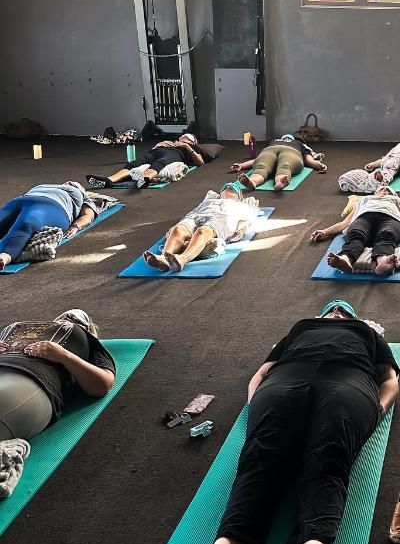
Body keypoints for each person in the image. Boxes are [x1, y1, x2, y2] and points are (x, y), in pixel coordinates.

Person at [201, 300, 400, 544]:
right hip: (286, 380)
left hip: (348, 381)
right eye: (333, 308)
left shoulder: (366, 332)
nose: (338, 310)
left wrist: (378, 409)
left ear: (354, 318)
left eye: (344, 310)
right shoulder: (301, 327)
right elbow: (261, 372)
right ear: (323, 314)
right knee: (260, 456)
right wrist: (255, 401)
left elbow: (389, 380)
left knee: (328, 459)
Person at [0, 309, 115, 496]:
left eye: (76, 318)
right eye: (64, 315)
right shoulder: (15, 328)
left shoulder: (86, 341)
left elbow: (102, 384)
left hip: (29, 379)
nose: (67, 317)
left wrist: (63, 355)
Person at [309, 186, 400, 276]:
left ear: (393, 195)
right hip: (364, 218)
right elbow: (345, 223)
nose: (385, 191)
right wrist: (325, 232)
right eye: (381, 189)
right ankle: (345, 259)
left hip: (391, 219)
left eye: (388, 190)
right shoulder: (364, 200)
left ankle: (383, 262)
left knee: (387, 235)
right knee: (355, 234)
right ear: (375, 193)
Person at [143, 183, 261, 273]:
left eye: (233, 188)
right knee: (178, 230)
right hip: (198, 215)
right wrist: (176, 225)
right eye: (226, 186)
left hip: (222, 218)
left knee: (202, 231)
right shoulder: (209, 200)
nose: (229, 186)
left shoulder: (242, 204)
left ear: (239, 196)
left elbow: (248, 219)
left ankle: (182, 259)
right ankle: (164, 258)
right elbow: (194, 211)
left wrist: (241, 230)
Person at [0, 182, 113, 271]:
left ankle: (4, 257)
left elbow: (88, 216)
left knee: (27, 224)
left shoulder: (82, 196)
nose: (71, 182)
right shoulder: (44, 186)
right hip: (21, 200)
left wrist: (75, 226)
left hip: (53, 206)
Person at [87, 133, 204, 189]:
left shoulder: (191, 148)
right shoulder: (169, 142)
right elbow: (153, 151)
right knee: (134, 163)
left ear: (192, 141)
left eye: (187, 138)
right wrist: (158, 145)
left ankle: (145, 179)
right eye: (182, 137)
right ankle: (108, 180)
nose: (183, 138)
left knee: (160, 163)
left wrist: (187, 147)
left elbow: (200, 162)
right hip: (157, 151)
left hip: (173, 154)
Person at [230, 134, 327, 191]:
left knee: (261, 167)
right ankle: (280, 181)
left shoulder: (274, 141)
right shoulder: (300, 144)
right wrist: (319, 165)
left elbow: (256, 161)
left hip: (270, 150)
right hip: (291, 152)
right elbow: (309, 160)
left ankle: (254, 181)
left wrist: (241, 166)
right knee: (285, 166)